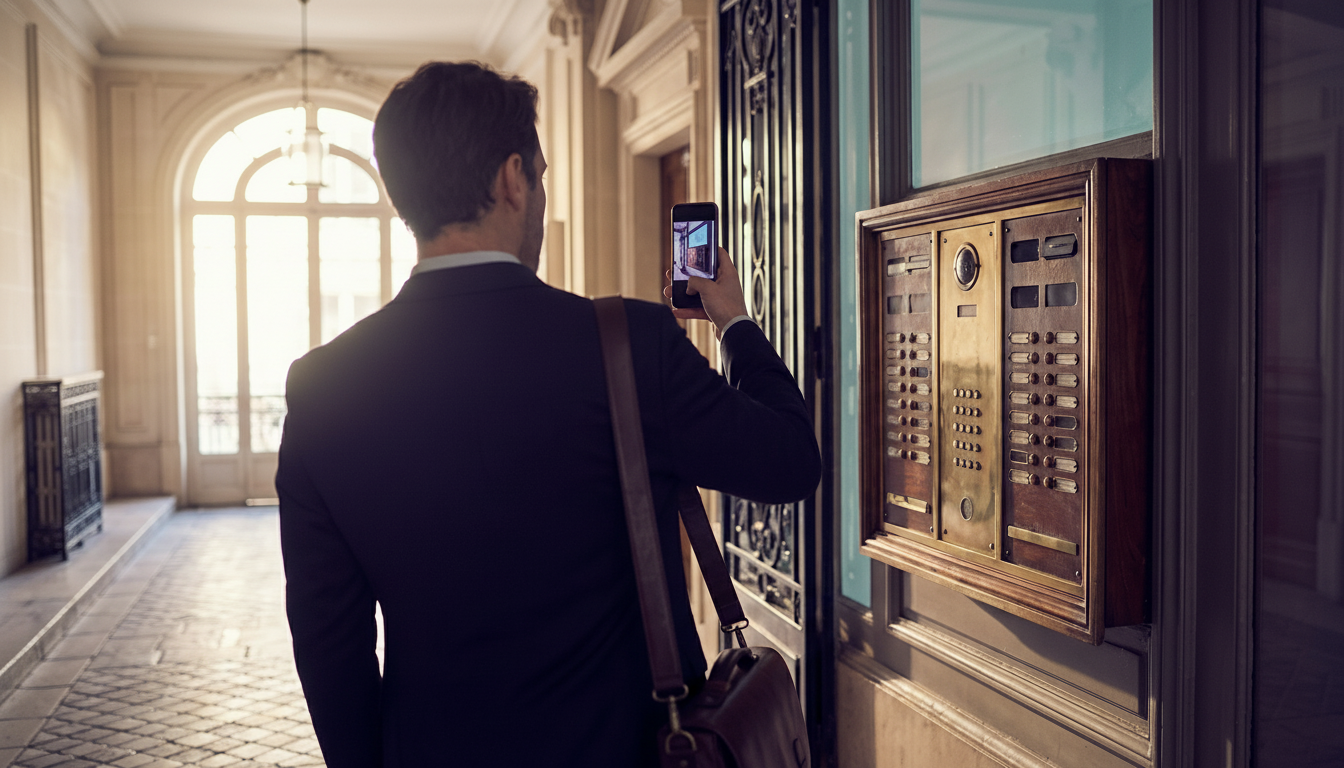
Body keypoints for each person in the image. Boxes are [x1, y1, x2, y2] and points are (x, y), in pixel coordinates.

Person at [276, 61, 820, 768]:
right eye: (538, 175)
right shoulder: (628, 345)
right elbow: (789, 461)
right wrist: (735, 325)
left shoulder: (322, 385)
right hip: (626, 749)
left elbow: (327, 641)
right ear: (512, 178)